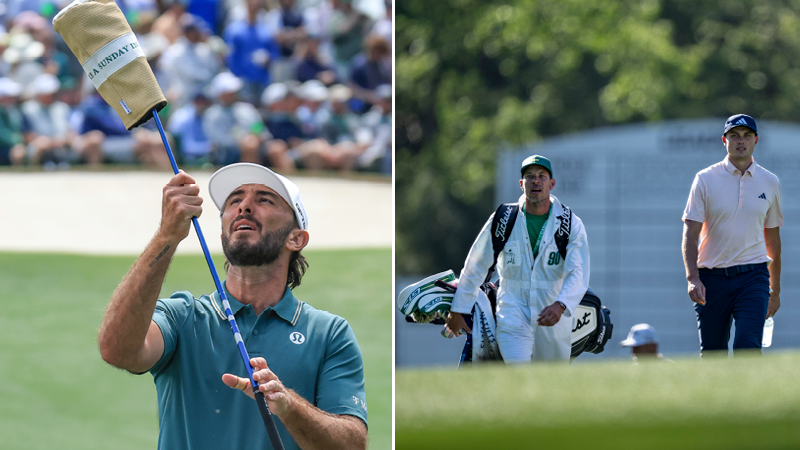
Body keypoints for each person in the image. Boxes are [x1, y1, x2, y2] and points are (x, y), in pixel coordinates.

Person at [97, 162, 368, 450]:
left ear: (296, 238)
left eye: (264, 199)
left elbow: (352, 445)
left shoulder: (329, 333)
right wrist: (167, 236)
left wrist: (289, 406)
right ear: (223, 233)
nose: (244, 207)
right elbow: (117, 350)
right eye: (235, 200)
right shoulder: (182, 316)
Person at [445, 155, 590, 363]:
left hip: (551, 313)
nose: (536, 181)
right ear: (522, 184)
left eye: (542, 176)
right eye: (530, 176)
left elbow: (579, 272)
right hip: (512, 309)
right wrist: (458, 308)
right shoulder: (503, 218)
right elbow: (476, 263)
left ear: (552, 183)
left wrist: (561, 305)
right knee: (517, 373)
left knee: (549, 382)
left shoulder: (570, 223)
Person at [682, 114, 782, 357]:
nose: (741, 141)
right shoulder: (705, 179)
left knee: (748, 346)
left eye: (747, 136)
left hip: (753, 277)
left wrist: (775, 291)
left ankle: (750, 397)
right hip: (711, 279)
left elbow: (773, 240)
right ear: (724, 141)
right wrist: (692, 277)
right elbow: (691, 232)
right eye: (734, 136)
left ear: (755, 141)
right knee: (713, 353)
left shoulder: (770, 182)